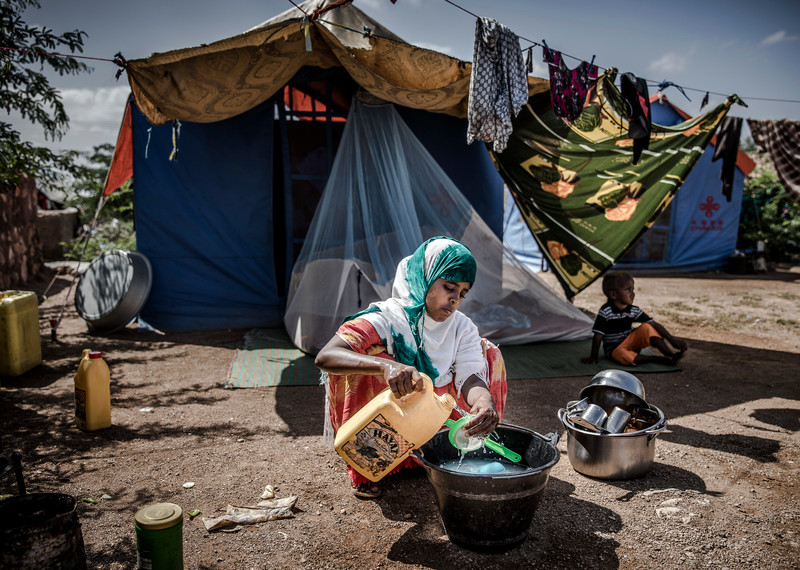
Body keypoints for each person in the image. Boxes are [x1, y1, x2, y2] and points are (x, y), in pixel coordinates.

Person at [315, 237, 507, 499]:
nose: (455, 300)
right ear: (424, 278)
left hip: (433, 414)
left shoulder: (461, 328)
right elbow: (327, 356)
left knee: (490, 355)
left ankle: (427, 453)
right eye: (449, 287)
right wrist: (384, 366)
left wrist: (484, 402)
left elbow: (470, 374)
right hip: (393, 412)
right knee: (365, 356)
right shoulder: (388, 319)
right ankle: (368, 463)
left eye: (462, 293)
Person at [581, 271, 687, 367]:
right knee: (623, 355)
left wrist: (672, 340)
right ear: (613, 294)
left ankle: (670, 356)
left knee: (647, 327)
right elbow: (598, 336)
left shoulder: (633, 310)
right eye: (628, 290)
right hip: (614, 349)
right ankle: (656, 359)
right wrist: (593, 357)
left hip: (630, 342)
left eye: (633, 289)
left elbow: (653, 324)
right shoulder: (606, 312)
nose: (632, 293)